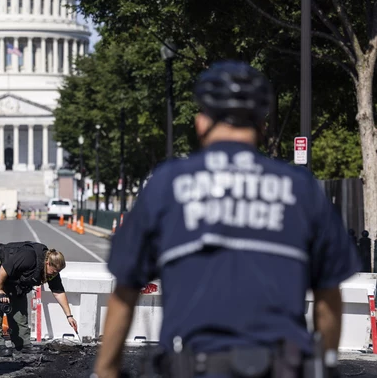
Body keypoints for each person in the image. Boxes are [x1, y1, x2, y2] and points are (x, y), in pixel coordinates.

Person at [91, 61, 361, 378]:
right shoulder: (302, 188)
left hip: (192, 366)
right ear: (262, 125)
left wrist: (106, 370)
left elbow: (125, 290)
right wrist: (325, 364)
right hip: (283, 366)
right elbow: (329, 295)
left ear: (201, 121)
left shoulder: (167, 185)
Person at [0, 241, 78, 356]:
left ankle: (22, 344)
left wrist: (69, 316)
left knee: (19, 304)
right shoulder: (28, 257)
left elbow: (58, 292)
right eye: (54, 271)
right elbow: (5, 269)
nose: (54, 275)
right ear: (47, 263)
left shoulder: (53, 271)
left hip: (11, 274)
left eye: (58, 272)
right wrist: (0, 290)